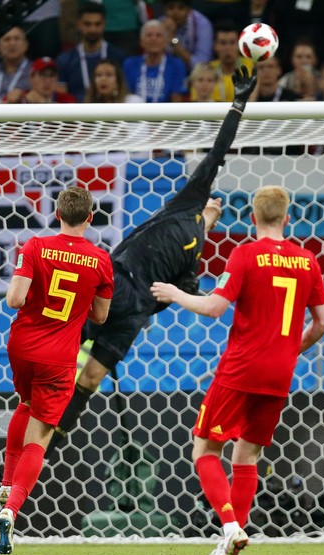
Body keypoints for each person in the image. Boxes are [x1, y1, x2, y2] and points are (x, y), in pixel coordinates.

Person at [45, 66, 257, 457]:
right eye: (213, 201)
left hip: (131, 306)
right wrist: (238, 103)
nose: (215, 203)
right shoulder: (189, 202)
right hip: (119, 285)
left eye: (218, 207)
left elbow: (177, 295)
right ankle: (39, 412)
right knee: (68, 348)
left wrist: (167, 297)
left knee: (91, 377)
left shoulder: (194, 260)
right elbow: (217, 154)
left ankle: (53, 436)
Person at [150, 185, 324, 555]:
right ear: (286, 218)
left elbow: (215, 307)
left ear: (252, 218)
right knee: (246, 454)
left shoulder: (246, 254)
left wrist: (174, 293)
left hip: (242, 368)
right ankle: (232, 545)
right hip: (280, 373)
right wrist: (288, 351)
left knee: (204, 448)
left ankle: (231, 526)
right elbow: (322, 323)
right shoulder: (308, 260)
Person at [0, 186, 114, 555]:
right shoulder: (100, 260)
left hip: (22, 347)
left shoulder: (34, 246)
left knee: (26, 403)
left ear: (57, 213)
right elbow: (101, 316)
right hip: (59, 356)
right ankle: (11, 511)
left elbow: (14, 299)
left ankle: (6, 483)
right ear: (90, 218)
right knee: (40, 437)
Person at [56, 2, 125, 103]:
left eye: (97, 24)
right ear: (79, 24)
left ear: (104, 24)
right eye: (87, 24)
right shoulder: (65, 59)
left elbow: (123, 91)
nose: (92, 29)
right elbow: (61, 97)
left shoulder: (117, 56)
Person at [123, 19, 189, 103]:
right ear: (141, 42)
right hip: (136, 113)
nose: (153, 39)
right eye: (149, 35)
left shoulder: (176, 65)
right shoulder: (130, 64)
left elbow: (177, 99)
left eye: (158, 35)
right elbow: (126, 95)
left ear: (165, 41)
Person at [207, 20, 254, 103]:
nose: (228, 48)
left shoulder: (252, 68)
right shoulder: (207, 71)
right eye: (223, 43)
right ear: (215, 46)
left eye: (232, 43)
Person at [161, 0, 214, 71]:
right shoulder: (159, 25)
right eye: (171, 8)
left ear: (189, 10)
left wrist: (173, 40)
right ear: (164, 10)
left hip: (195, 74)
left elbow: (201, 65)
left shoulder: (202, 24)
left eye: (181, 8)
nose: (175, 13)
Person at [4, 57, 77, 104]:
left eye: (52, 75)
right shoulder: (19, 97)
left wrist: (47, 104)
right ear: (31, 78)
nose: (48, 80)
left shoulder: (67, 100)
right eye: (43, 75)